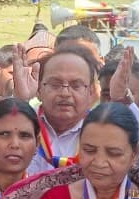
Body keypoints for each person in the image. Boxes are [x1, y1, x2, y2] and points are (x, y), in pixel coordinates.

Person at [28, 46, 99, 175]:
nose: (65, 93)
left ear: (91, 91)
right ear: (38, 89)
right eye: (55, 84)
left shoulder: (103, 131)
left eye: (76, 85)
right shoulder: (24, 126)